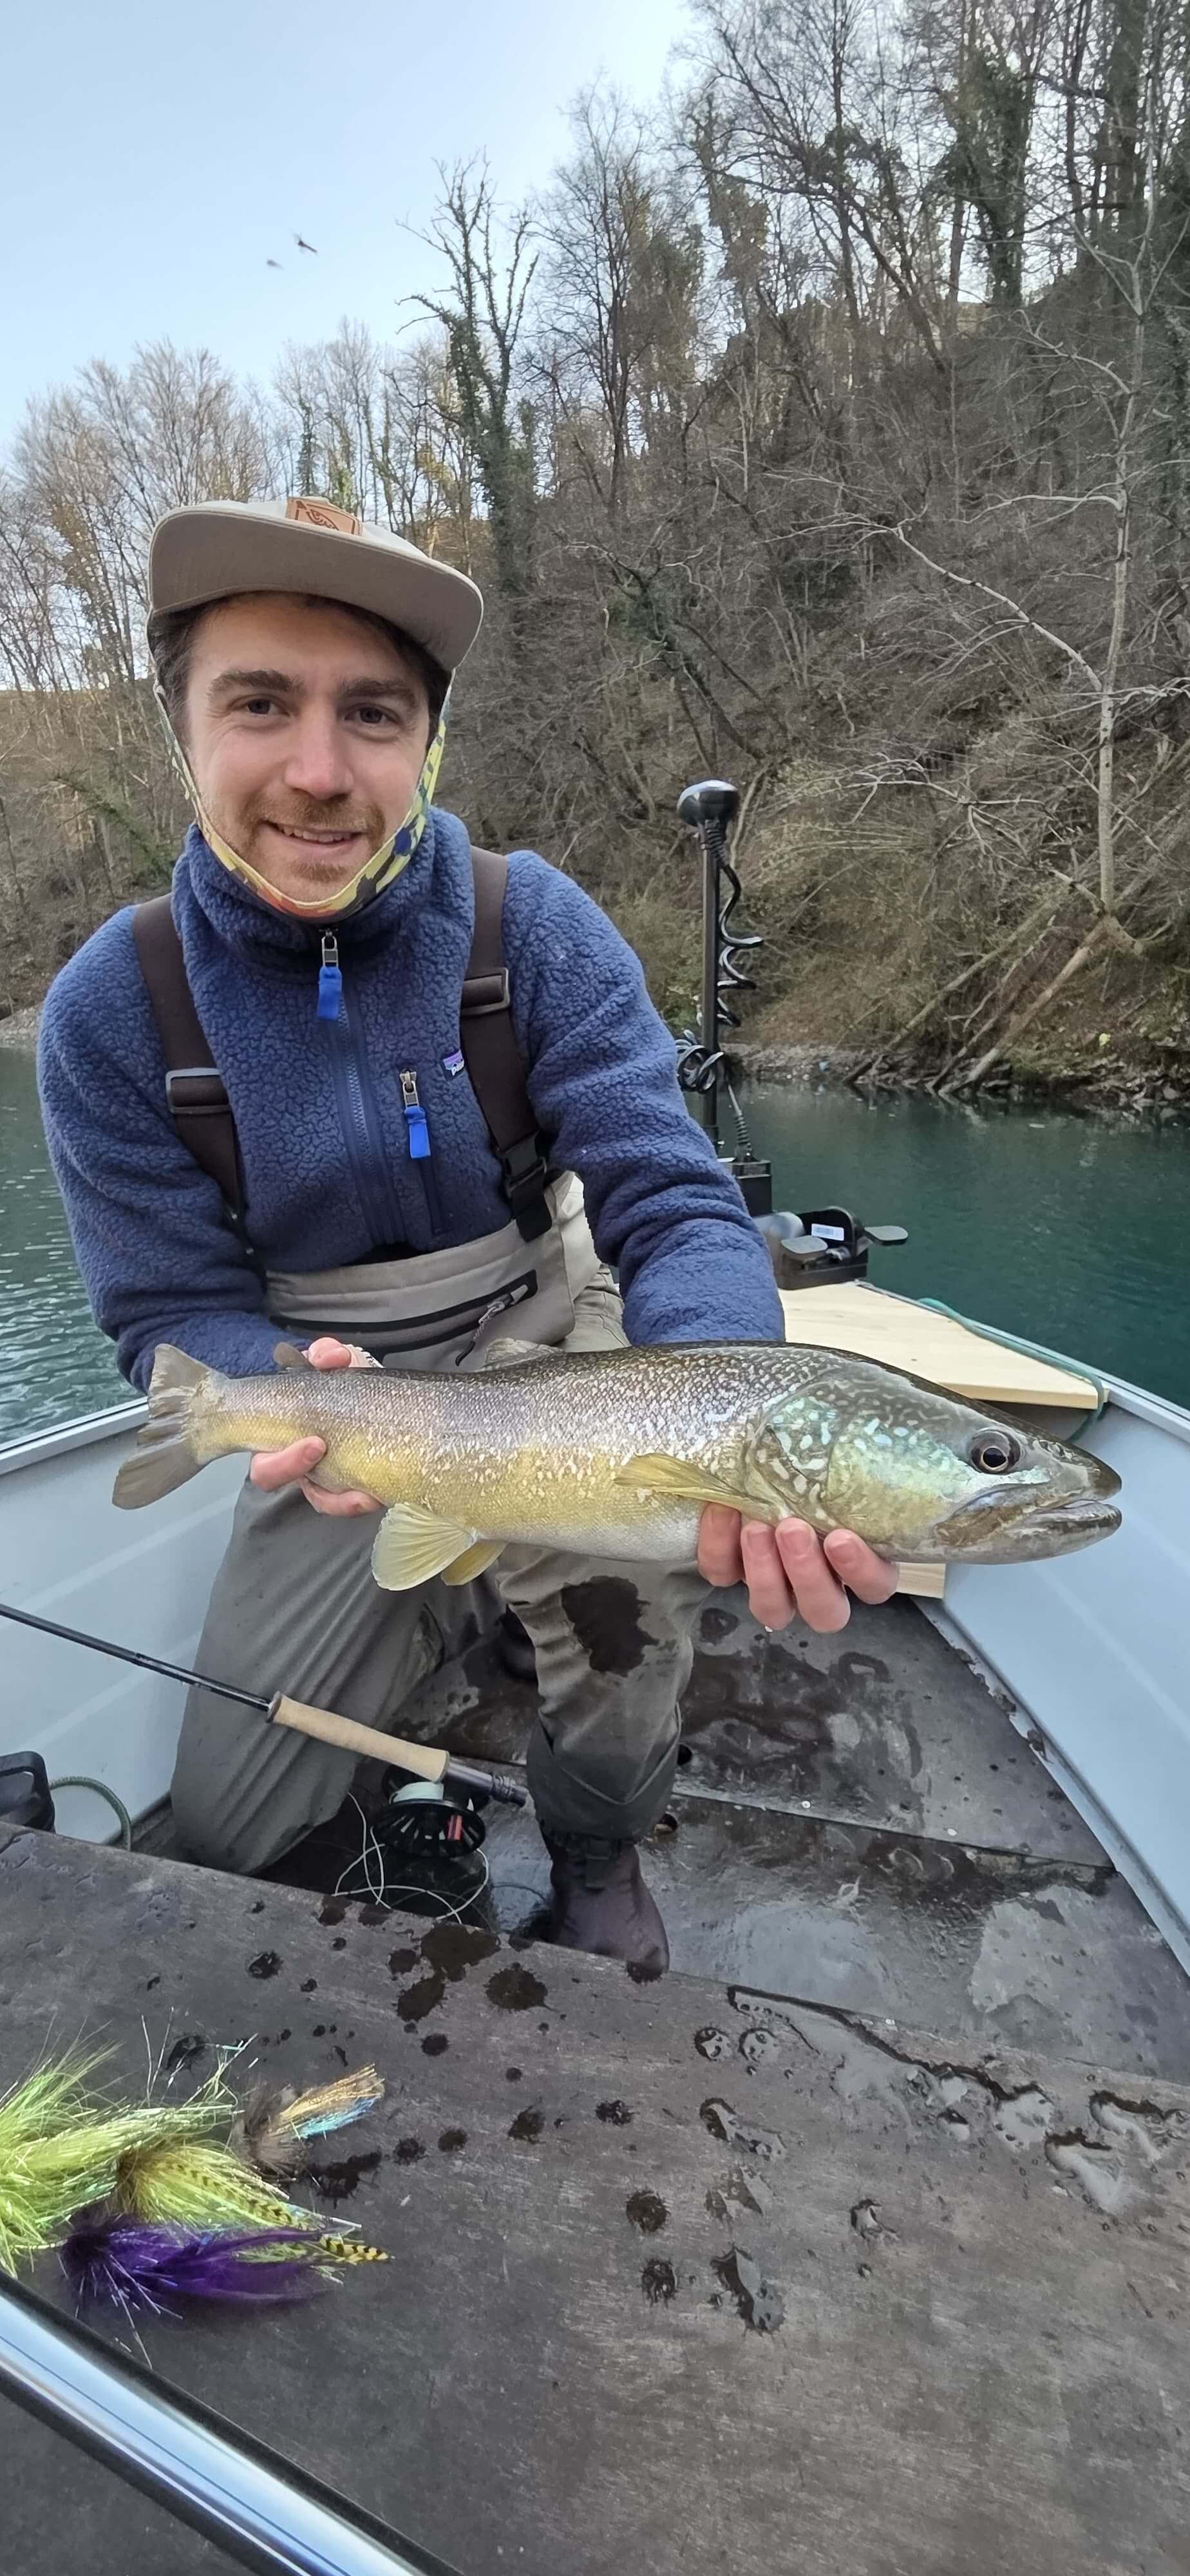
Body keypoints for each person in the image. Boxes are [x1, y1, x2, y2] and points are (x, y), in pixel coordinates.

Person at [37, 495, 896, 1971]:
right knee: (237, 1830)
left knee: (637, 1615)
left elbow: (669, 1193)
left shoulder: (533, 924)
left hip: (550, 1331)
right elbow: (165, 1309)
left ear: (425, 740)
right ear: (180, 725)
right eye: (260, 703)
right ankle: (456, 1631)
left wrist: (725, 1386)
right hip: (326, 1381)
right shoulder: (108, 1013)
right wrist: (259, 1376)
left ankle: (599, 1837)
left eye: (371, 712)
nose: (318, 769)